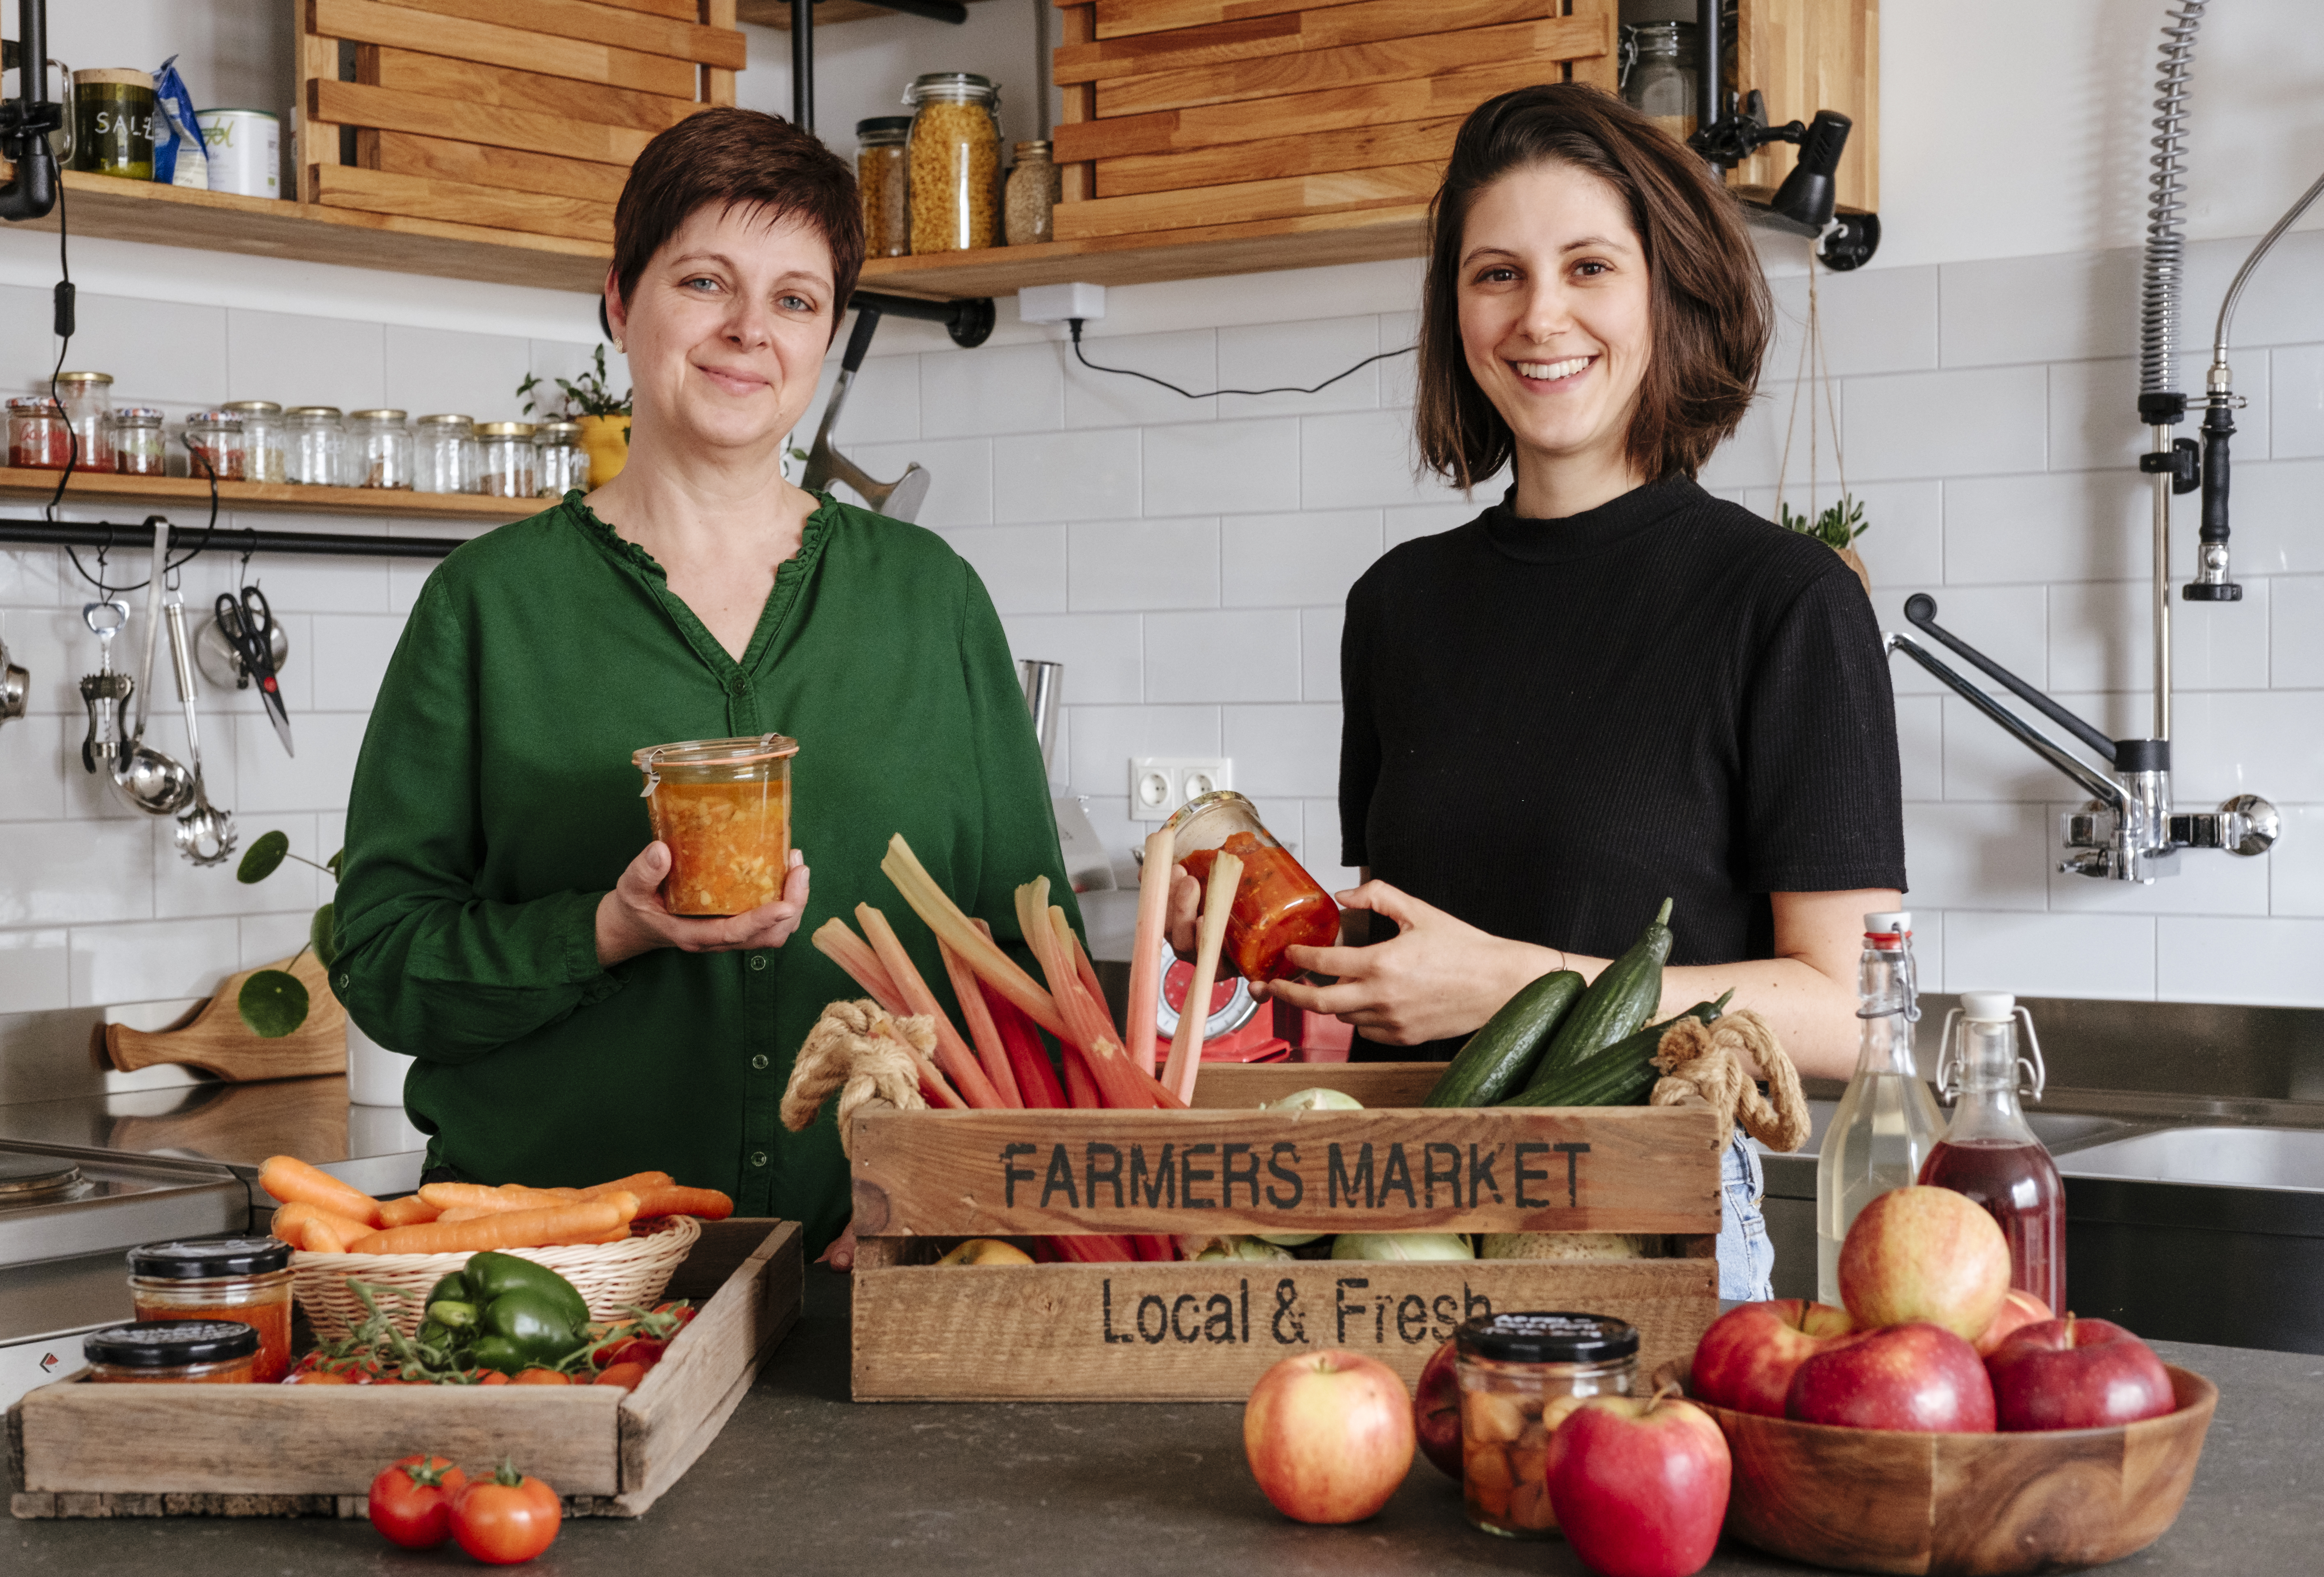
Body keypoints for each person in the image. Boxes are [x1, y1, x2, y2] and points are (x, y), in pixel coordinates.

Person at [1195, 84, 1906, 1300]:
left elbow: (1854, 1021)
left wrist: (1522, 982)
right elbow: (1407, 956)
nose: (1541, 316)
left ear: (1665, 289)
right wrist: (1265, 938)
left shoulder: (1785, 603)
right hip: (1396, 1229)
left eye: (1588, 267)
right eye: (1496, 275)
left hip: (1643, 1230)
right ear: (1455, 311)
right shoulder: (1397, 605)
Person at [332, 109, 1074, 1268]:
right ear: (622, 302)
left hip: (875, 1281)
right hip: (561, 1291)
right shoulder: (486, 609)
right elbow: (382, 959)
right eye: (705, 281)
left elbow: (1038, 972)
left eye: (795, 299)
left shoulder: (933, 604)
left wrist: (960, 1208)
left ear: (826, 335)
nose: (748, 331)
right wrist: (606, 929)